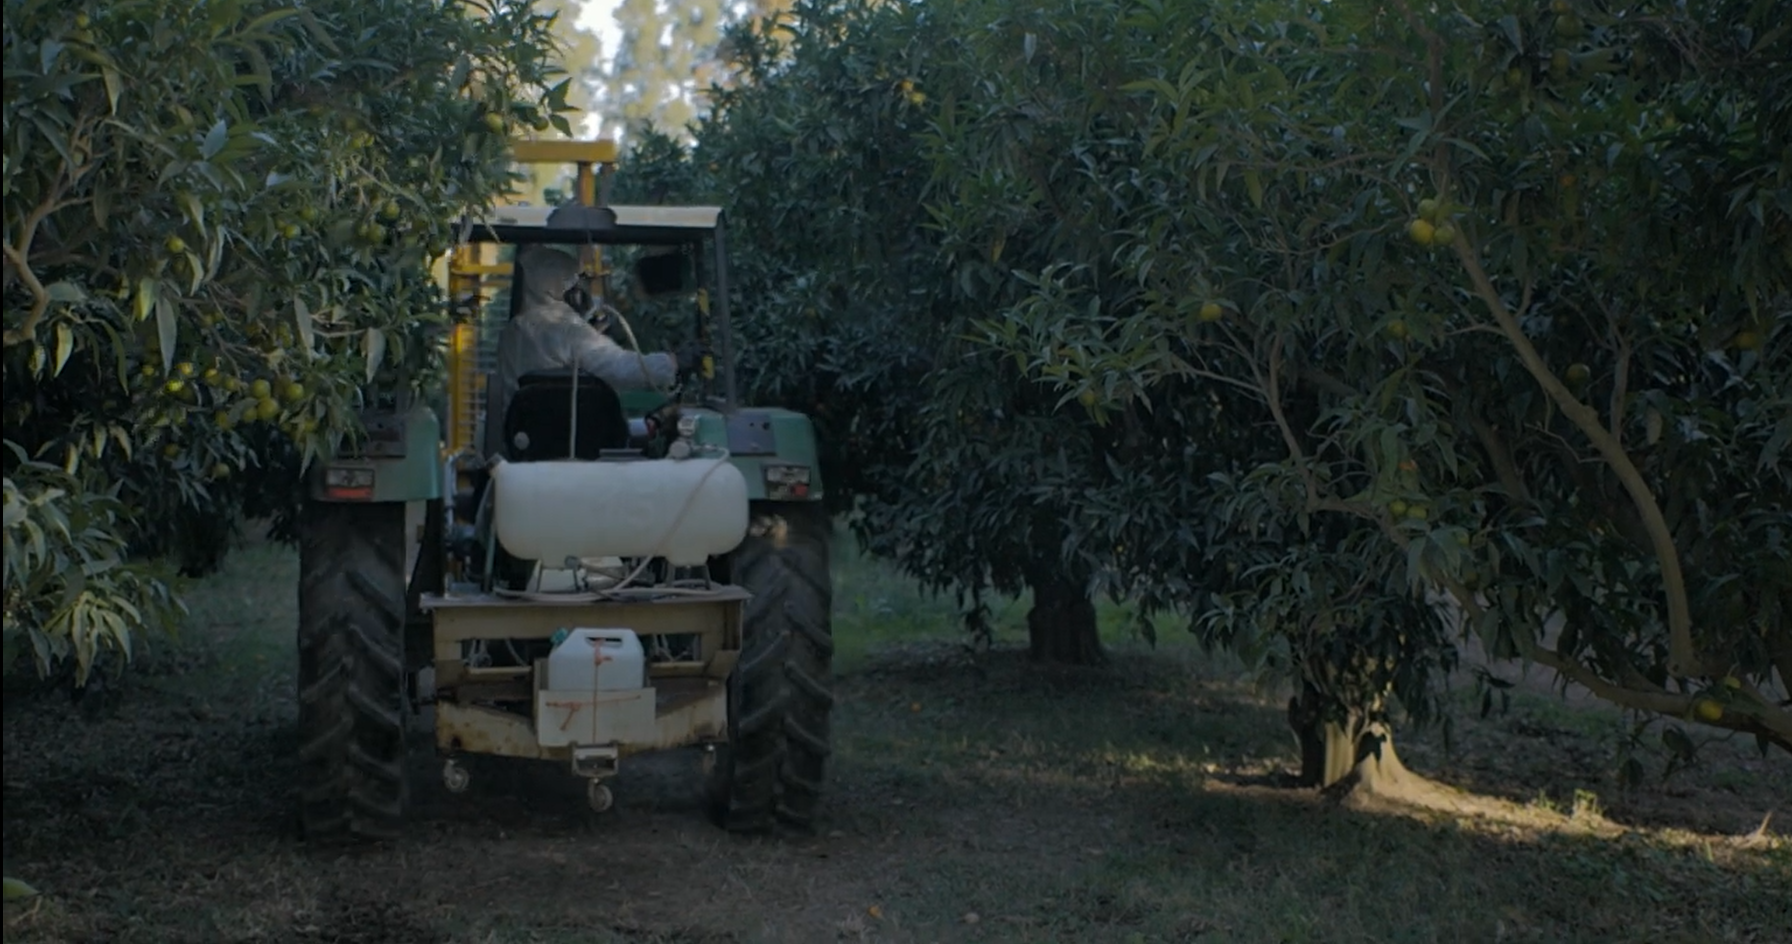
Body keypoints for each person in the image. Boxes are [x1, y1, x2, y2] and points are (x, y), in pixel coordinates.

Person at [481, 245, 697, 460]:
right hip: (580, 446)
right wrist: (672, 362)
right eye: (572, 283)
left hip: (521, 448)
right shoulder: (567, 329)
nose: (579, 291)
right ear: (553, 287)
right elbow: (620, 369)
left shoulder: (513, 332)